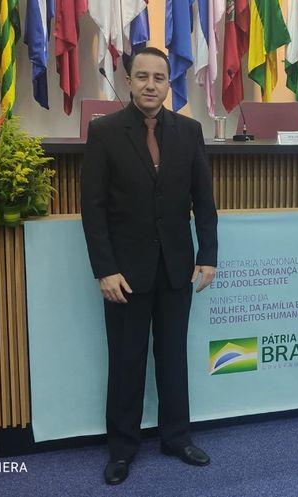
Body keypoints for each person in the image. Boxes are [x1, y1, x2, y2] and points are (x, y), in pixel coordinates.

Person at [80, 46, 218, 486]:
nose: (151, 85)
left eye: (160, 78)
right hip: (124, 273)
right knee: (127, 360)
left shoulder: (190, 131)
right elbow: (93, 209)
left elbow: (204, 202)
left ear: (169, 83)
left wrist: (208, 255)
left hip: (177, 268)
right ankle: (122, 449)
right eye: (143, 77)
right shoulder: (104, 132)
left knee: (173, 357)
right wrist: (104, 269)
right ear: (129, 81)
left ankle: (177, 438)